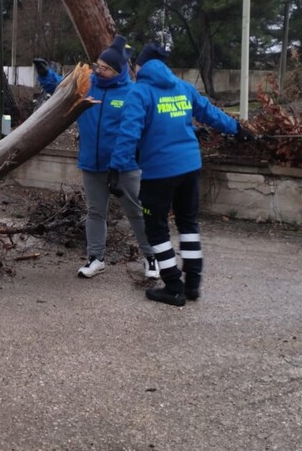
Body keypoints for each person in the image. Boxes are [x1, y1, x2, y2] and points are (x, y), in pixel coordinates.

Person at [108, 42, 254, 306]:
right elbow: (209, 113)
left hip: (159, 173)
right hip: (189, 167)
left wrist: (116, 168)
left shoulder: (140, 93)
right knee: (188, 224)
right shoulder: (183, 87)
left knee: (156, 228)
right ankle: (193, 283)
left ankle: (173, 286)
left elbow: (128, 134)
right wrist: (237, 129)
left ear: (140, 65)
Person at [33, 36, 159, 280]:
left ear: (117, 70)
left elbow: (148, 124)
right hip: (92, 164)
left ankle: (151, 257)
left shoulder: (133, 92)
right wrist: (45, 74)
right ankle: (95, 258)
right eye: (97, 64)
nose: (98, 69)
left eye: (104, 67)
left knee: (136, 212)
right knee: (95, 212)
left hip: (125, 167)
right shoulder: (88, 84)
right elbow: (60, 88)